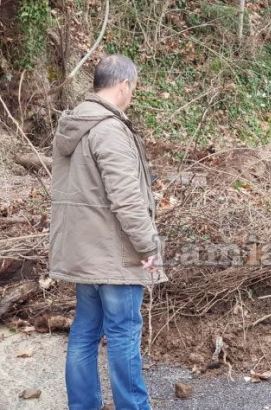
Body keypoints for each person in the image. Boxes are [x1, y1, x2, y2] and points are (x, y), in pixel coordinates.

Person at [49, 54, 167, 409]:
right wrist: (148, 246)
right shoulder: (110, 129)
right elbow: (127, 199)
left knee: (85, 331)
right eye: (132, 87)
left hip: (85, 253)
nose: (132, 94)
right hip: (114, 255)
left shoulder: (74, 124)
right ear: (123, 85)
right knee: (123, 334)